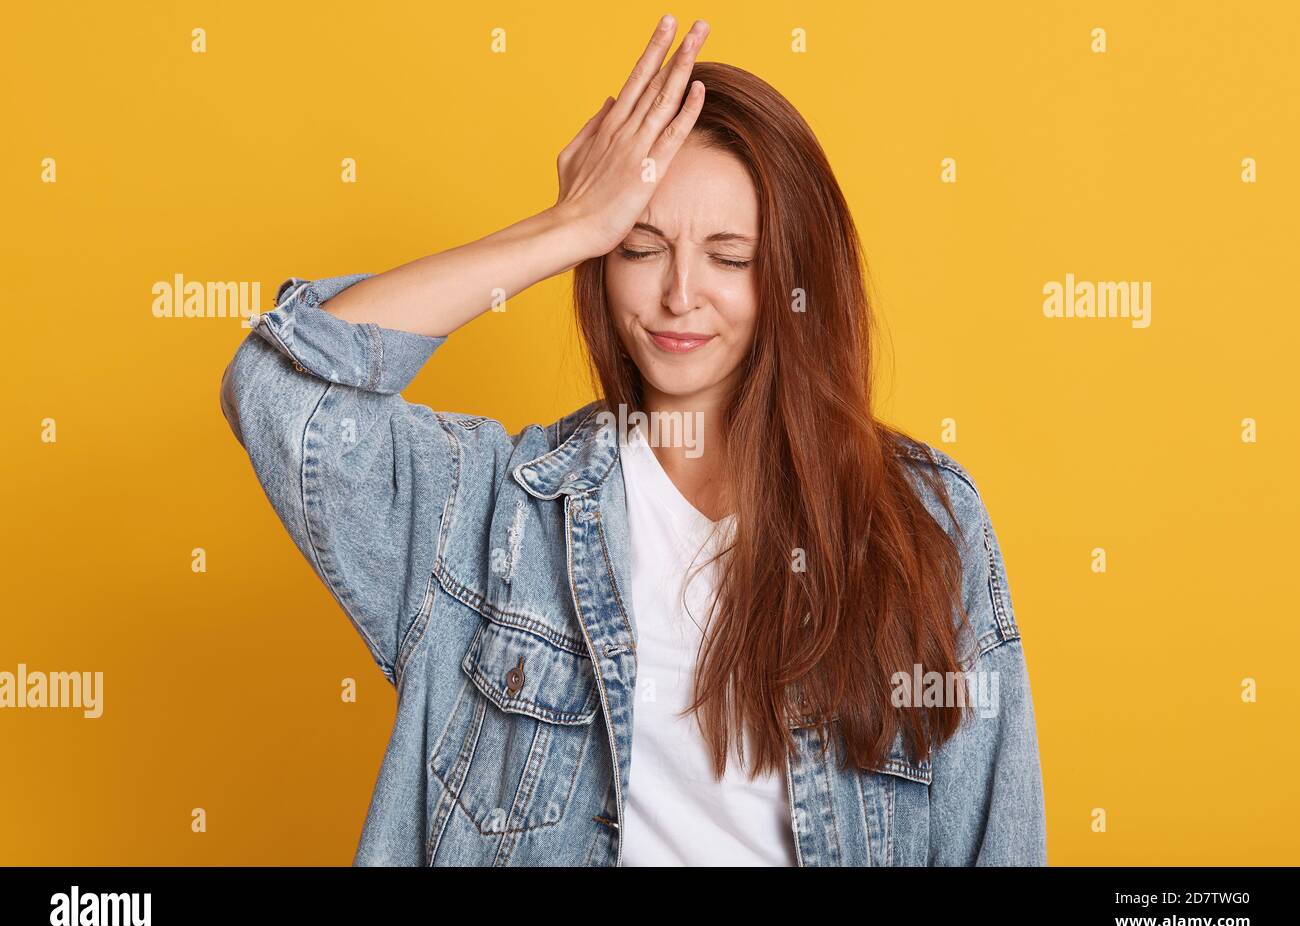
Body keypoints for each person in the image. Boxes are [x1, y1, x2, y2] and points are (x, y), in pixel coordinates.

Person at [219, 14, 1047, 866]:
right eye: (641, 246)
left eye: (730, 257)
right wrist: (563, 227)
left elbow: (995, 840)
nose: (680, 294)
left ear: (793, 278)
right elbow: (281, 387)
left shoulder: (924, 518)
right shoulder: (498, 521)